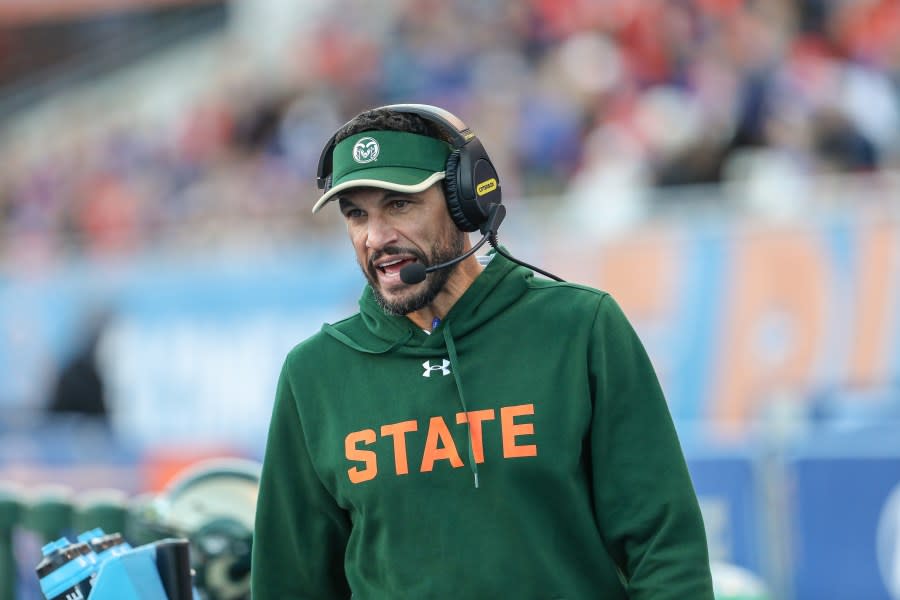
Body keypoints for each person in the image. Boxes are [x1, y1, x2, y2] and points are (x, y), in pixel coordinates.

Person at [251, 103, 714, 599]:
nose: (375, 237)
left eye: (400, 205)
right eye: (356, 214)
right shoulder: (315, 373)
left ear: (465, 200)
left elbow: (665, 549)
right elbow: (289, 585)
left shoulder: (581, 329)